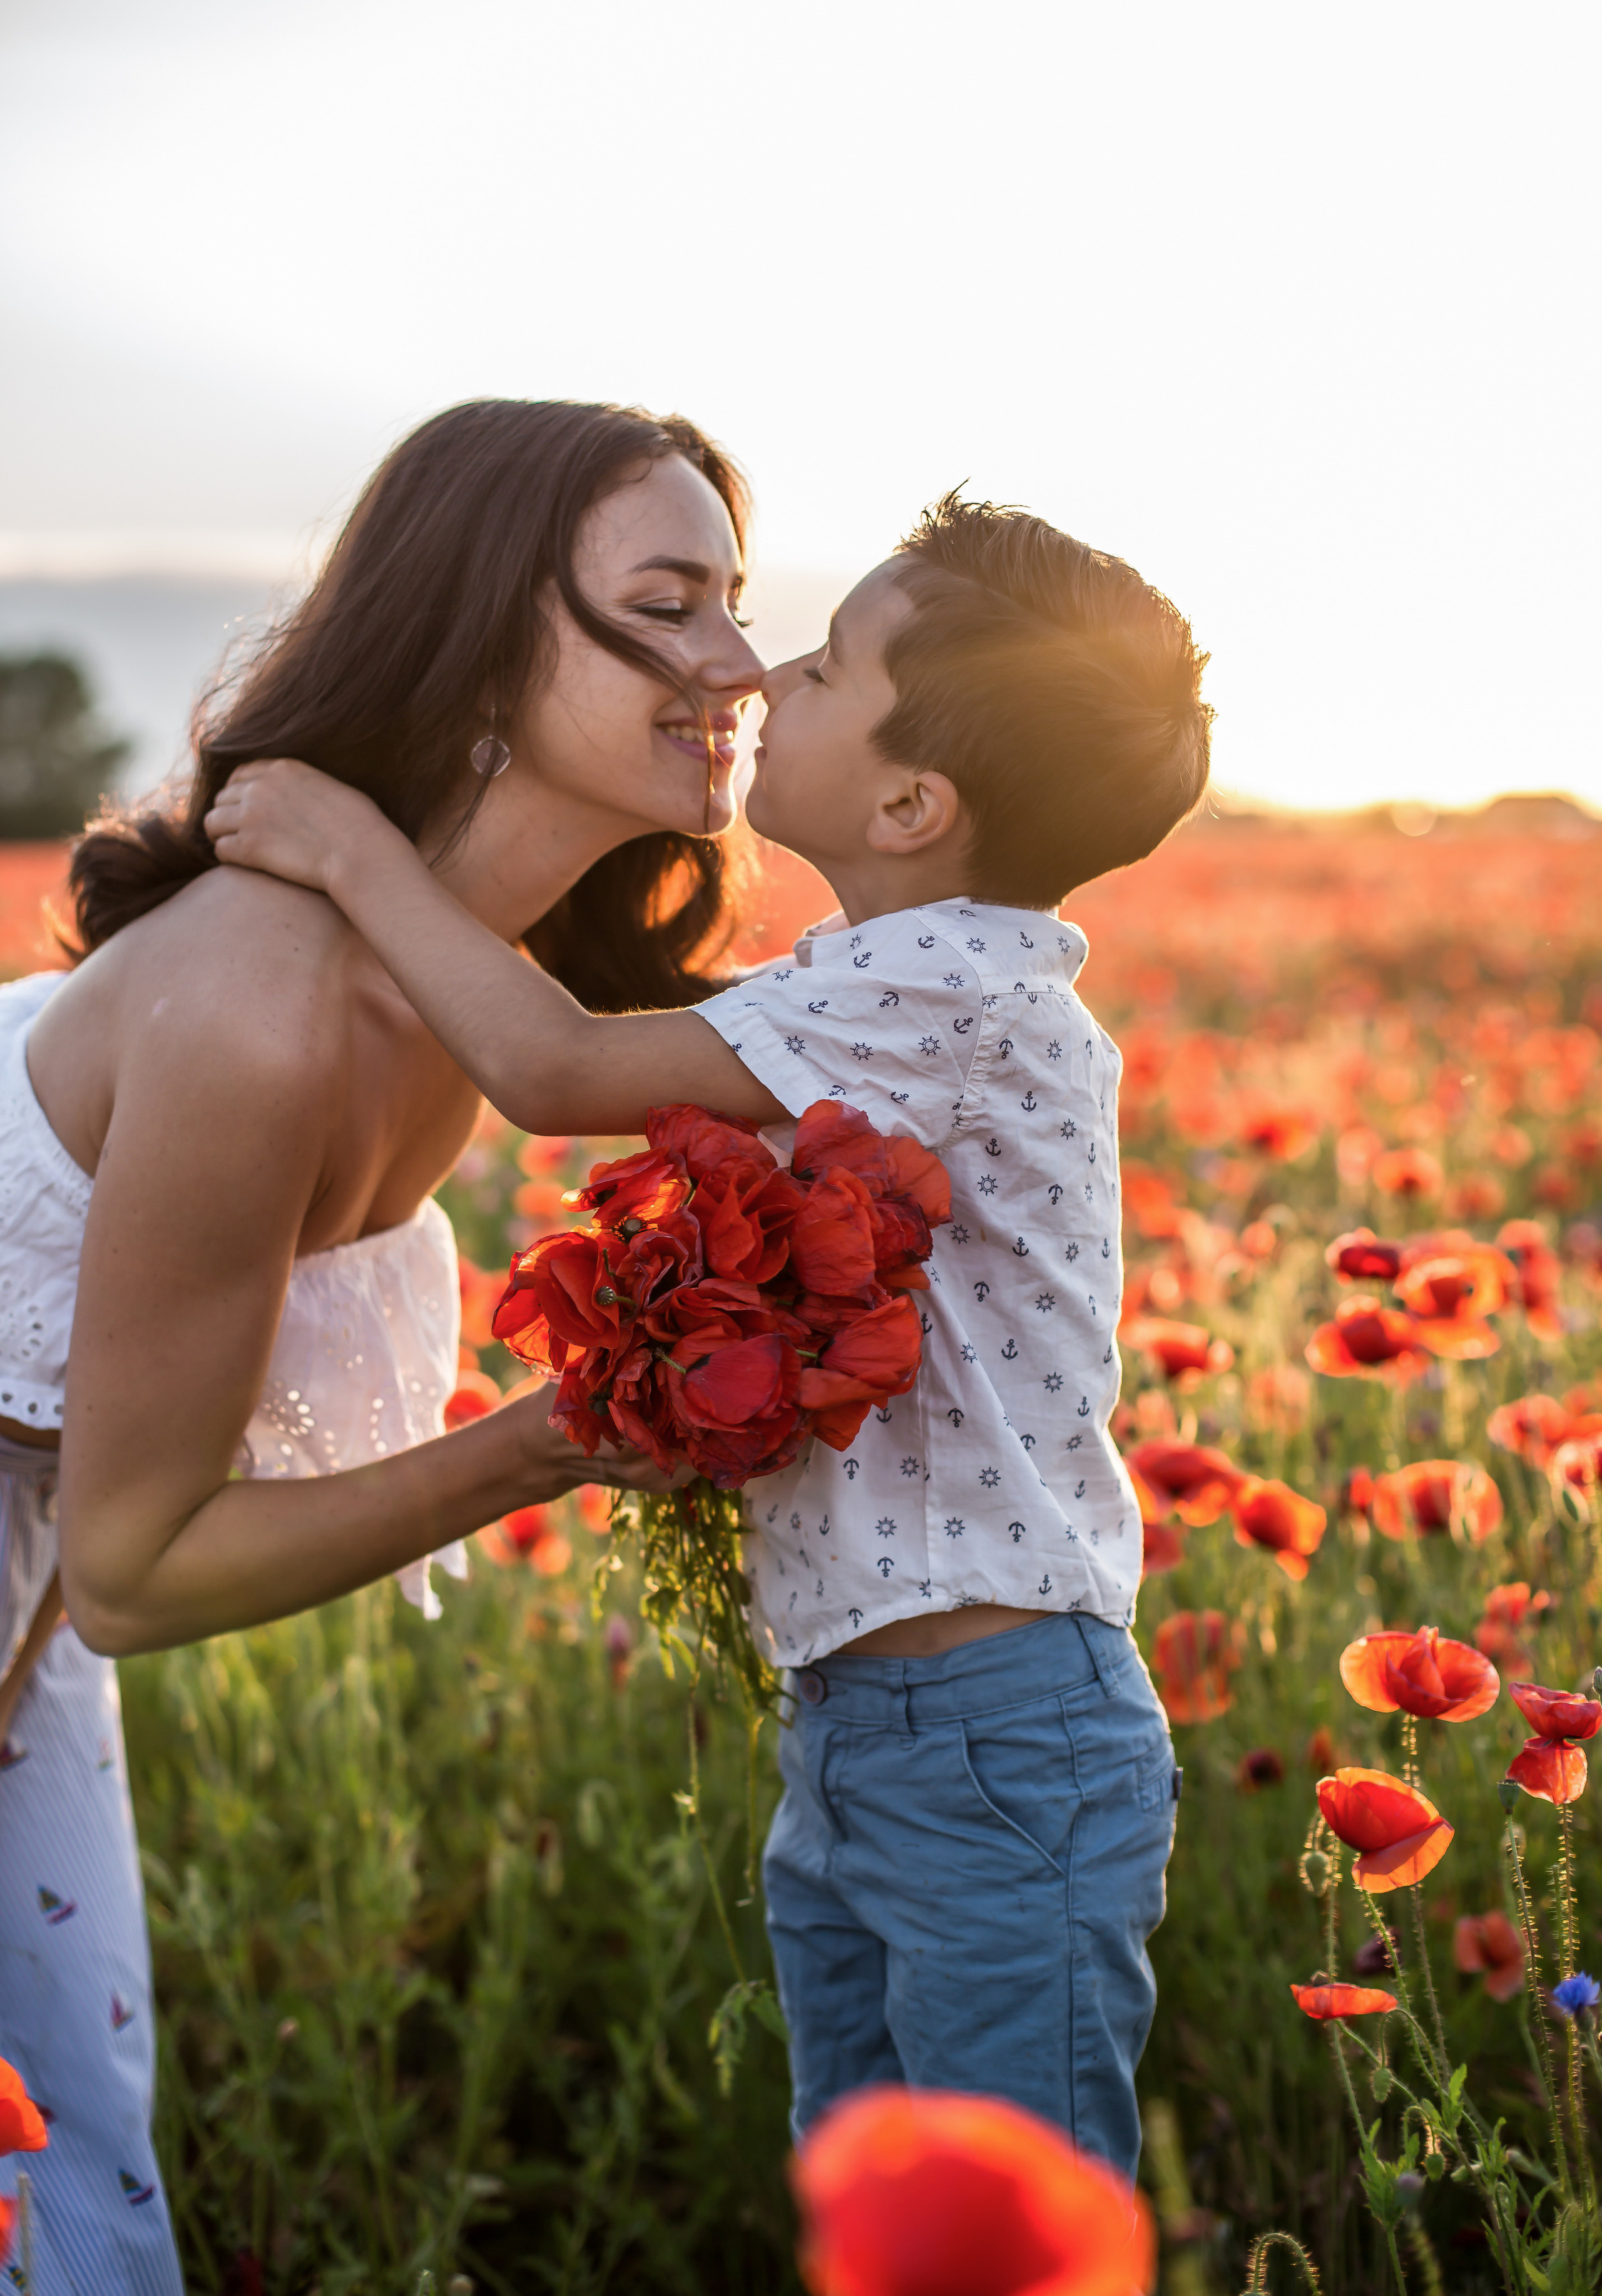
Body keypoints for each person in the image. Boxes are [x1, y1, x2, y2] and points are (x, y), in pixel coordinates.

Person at [205, 491, 1213, 2176]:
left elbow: (550, 1070)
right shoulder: (912, 971)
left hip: (987, 1727)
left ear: (911, 800)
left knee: (994, 2224)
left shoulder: (944, 983)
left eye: (825, 666)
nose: (768, 676)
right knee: (880, 2202)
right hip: (896, 1721)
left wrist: (348, 848)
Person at [0, 396, 762, 2292]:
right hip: (66, 1573)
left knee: (69, 2153)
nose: (738, 663)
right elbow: (135, 1563)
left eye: (734, 603)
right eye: (669, 607)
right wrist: (549, 1436)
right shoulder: (262, 1009)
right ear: (493, 636)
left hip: (28, 1602)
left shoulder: (482, 993)